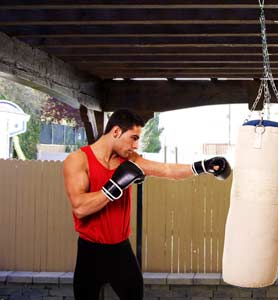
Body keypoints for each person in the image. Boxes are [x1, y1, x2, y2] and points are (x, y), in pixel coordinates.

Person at [63, 109, 231, 300]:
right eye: (133, 138)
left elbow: (167, 170)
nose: (136, 145)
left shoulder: (129, 160)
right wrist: (114, 187)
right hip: (89, 252)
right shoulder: (78, 160)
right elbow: (80, 208)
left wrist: (203, 166)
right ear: (116, 132)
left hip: (120, 251)